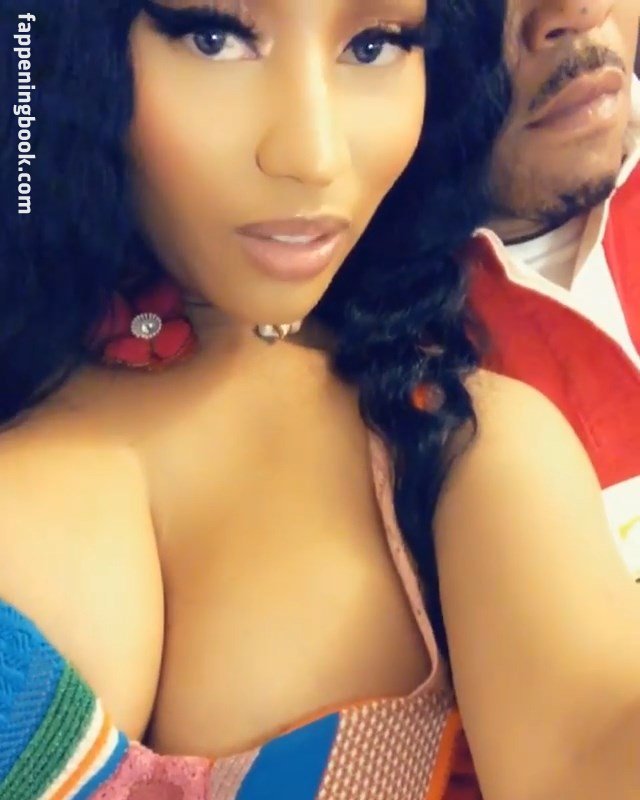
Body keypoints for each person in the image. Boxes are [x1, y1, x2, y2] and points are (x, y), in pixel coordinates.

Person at [1, 3, 640, 800]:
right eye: (214, 38)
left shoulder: (455, 447)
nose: (313, 153)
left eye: (375, 45)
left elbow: (593, 737)